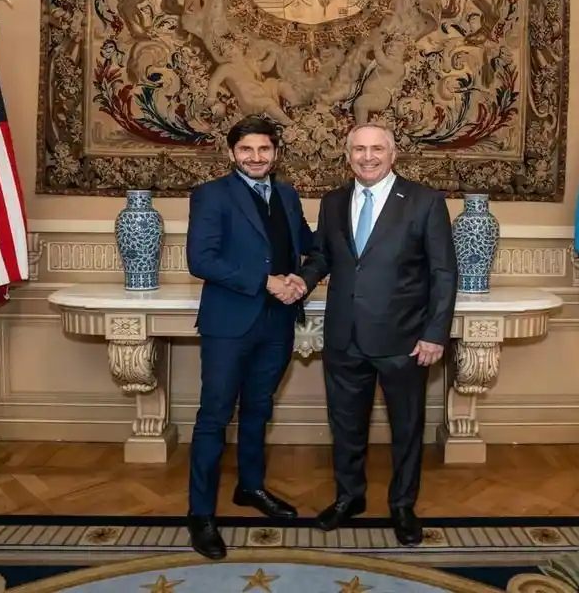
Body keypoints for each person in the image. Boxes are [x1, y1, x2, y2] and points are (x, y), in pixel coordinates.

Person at [285, 123, 458, 546]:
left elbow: (443, 273)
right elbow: (323, 256)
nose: (367, 156)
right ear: (347, 156)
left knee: (406, 428)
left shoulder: (424, 202)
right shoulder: (333, 202)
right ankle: (350, 497)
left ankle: (402, 505)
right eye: (358, 149)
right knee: (345, 426)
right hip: (344, 337)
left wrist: (435, 334)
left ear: (393, 153)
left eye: (376, 148)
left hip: (405, 340)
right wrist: (300, 282)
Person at [185, 115, 314, 560]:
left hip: (276, 324)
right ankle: (200, 515)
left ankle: (251, 488)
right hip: (228, 324)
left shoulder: (288, 195)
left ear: (275, 153)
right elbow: (200, 259)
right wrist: (266, 280)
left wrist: (302, 280)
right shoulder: (211, 196)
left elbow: (309, 246)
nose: (255, 157)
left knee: (259, 409)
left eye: (264, 150)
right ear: (231, 153)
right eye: (246, 150)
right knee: (214, 417)